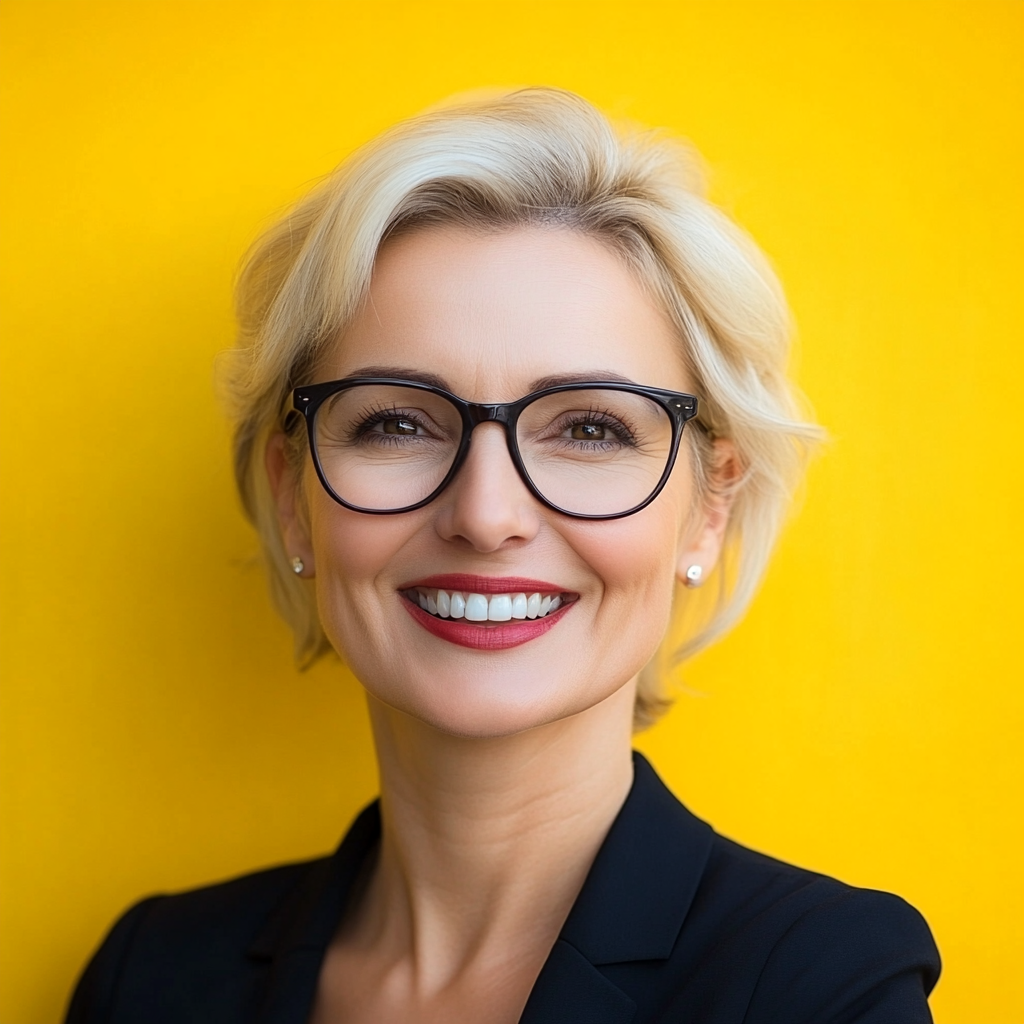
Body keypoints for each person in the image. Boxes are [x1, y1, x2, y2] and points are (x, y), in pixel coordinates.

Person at [65, 88, 940, 1023]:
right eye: (397, 421)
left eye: (593, 430)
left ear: (707, 508)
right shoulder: (146, 977)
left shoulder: (823, 989)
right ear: (292, 497)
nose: (486, 515)